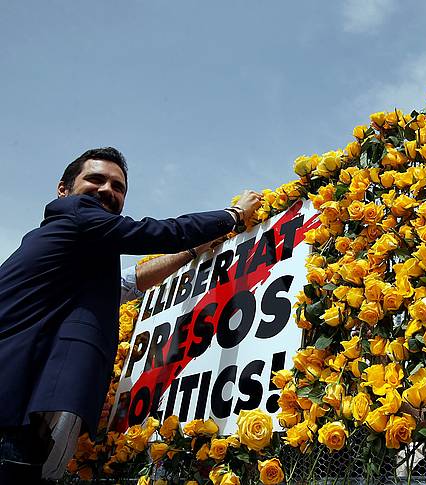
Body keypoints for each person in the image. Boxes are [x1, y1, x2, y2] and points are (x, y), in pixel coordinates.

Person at [0, 147, 262, 483]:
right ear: (63, 190)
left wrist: (193, 252)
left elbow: (128, 284)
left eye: (118, 186)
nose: (108, 190)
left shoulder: (76, 246)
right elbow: (156, 232)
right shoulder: (78, 215)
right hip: (12, 418)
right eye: (95, 179)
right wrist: (234, 214)